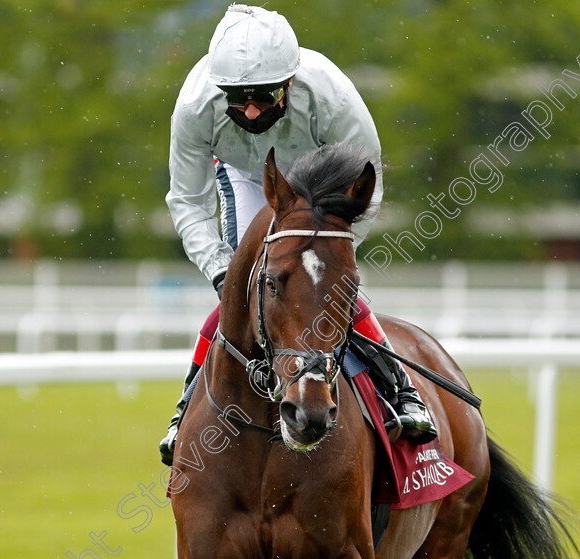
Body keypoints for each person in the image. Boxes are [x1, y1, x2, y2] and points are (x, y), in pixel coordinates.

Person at [160, 4, 435, 466]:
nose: (249, 109)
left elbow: (367, 192)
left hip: (321, 182)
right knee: (240, 291)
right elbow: (187, 201)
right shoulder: (195, 106)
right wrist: (219, 269)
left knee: (318, 287)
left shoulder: (333, 99)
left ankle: (401, 390)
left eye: (264, 98)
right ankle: (187, 404)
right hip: (249, 177)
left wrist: (327, 262)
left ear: (289, 84)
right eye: (236, 98)